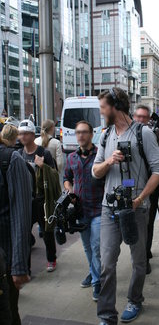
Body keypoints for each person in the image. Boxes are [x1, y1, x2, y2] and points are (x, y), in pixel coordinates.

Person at [92, 88, 159, 325]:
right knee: (107, 264)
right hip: (109, 208)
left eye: (103, 107)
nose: (101, 112)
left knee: (138, 261)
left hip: (136, 207)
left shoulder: (144, 133)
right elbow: (95, 171)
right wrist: (109, 161)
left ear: (115, 106)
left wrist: (140, 199)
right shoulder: (105, 135)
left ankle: (135, 299)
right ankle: (106, 315)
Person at [64, 121, 104, 301]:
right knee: (87, 247)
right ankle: (93, 272)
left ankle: (97, 281)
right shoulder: (71, 157)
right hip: (81, 210)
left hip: (98, 209)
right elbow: (67, 177)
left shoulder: (100, 155)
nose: (80, 135)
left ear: (91, 133)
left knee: (96, 247)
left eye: (84, 132)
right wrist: (69, 189)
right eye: (78, 132)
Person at [133, 105, 159, 274]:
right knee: (133, 222)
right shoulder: (126, 134)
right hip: (131, 186)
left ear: (149, 119)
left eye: (144, 117)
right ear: (134, 117)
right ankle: (139, 253)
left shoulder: (157, 136)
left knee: (147, 223)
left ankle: (144, 257)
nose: (141, 120)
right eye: (138, 117)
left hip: (151, 187)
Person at [0, 124, 31, 324]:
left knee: (7, 314)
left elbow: (21, 214)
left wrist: (19, 266)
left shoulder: (11, 159)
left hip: (5, 260)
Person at [18, 119, 57, 273]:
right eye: (20, 134)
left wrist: (43, 166)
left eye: (25, 134)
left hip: (42, 199)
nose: (22, 137)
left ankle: (51, 259)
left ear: (32, 134)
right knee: (25, 233)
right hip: (26, 199)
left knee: (47, 232)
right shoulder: (19, 154)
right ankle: (26, 267)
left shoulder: (43, 153)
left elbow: (54, 175)